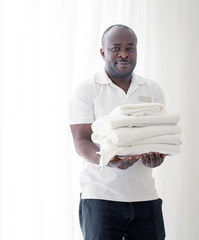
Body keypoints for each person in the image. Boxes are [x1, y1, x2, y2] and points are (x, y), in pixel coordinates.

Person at [69, 24, 167, 240]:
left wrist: (157, 157)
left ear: (137, 52)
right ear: (103, 52)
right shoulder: (88, 90)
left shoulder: (152, 89)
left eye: (130, 48)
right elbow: (82, 141)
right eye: (116, 48)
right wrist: (110, 159)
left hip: (145, 198)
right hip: (100, 198)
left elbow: (159, 136)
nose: (124, 54)